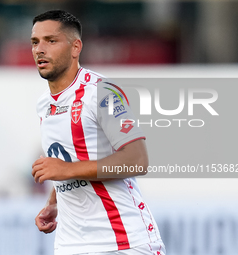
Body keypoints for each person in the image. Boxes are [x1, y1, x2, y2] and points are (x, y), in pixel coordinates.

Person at [31, 10, 166, 255]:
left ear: (75, 47)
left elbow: (136, 160)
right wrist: (54, 201)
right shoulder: (44, 104)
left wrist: (65, 170)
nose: (40, 49)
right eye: (35, 42)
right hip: (70, 243)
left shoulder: (101, 91)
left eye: (51, 41)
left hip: (122, 242)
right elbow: (71, 158)